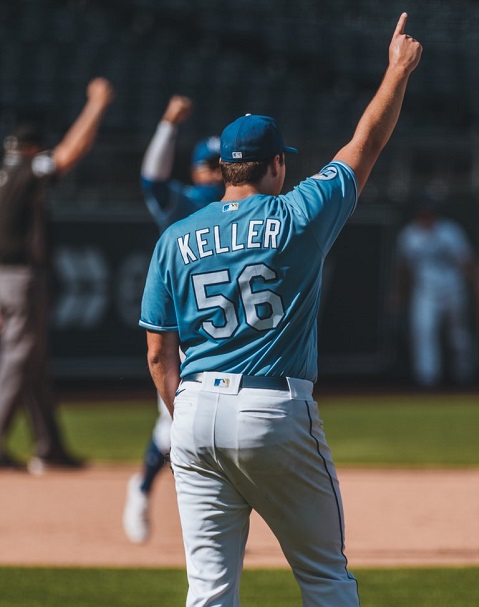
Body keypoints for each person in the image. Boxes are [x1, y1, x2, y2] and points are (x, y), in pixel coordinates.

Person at [139, 13, 421, 607]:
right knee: (325, 578)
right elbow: (364, 144)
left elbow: (159, 354)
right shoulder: (297, 215)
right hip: (272, 408)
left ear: (224, 169)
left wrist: (188, 415)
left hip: (193, 411)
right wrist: (397, 71)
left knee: (208, 591)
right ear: (276, 165)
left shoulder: (175, 237)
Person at [123, 95, 224, 543]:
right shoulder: (188, 201)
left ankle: (156, 491)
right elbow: (152, 179)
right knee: (175, 426)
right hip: (184, 331)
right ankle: (144, 487)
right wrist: (167, 125)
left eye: (223, 164)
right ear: (198, 169)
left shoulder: (246, 202)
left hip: (227, 329)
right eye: (210, 165)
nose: (217, 172)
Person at [0, 78, 115, 473]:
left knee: (33, 362)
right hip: (20, 277)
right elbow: (69, 153)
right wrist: (96, 105)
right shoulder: (29, 167)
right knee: (19, 358)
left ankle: (48, 446)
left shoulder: (3, 172)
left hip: (3, 276)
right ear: (33, 148)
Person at [394, 192, 479, 388]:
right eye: (423, 213)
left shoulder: (449, 232)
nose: (426, 216)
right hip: (425, 292)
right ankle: (427, 381)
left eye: (429, 212)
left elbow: (469, 264)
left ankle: (464, 378)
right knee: (423, 332)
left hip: (453, 290)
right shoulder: (409, 235)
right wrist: (398, 293)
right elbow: (403, 269)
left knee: (459, 337)